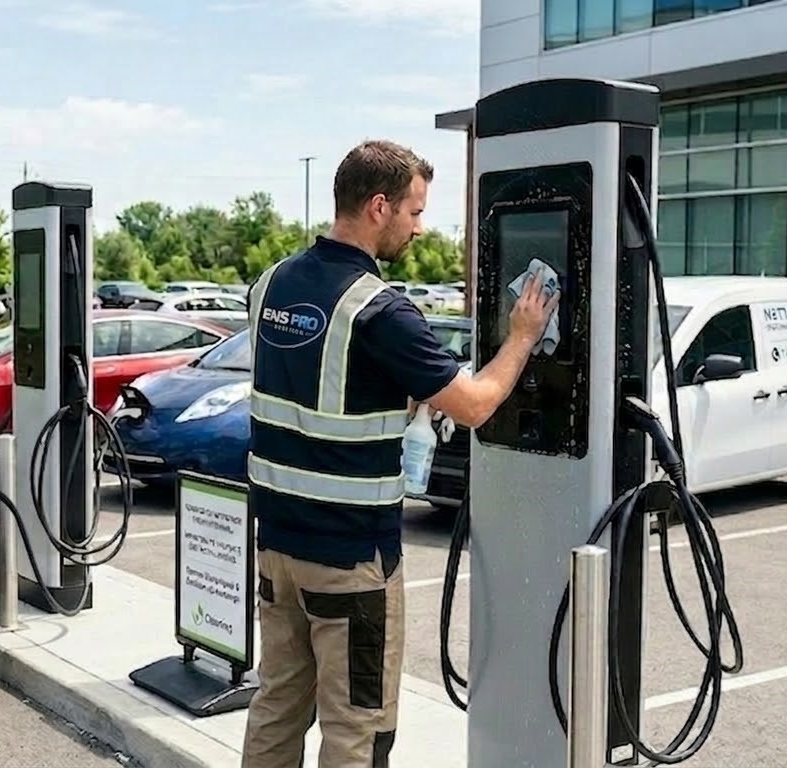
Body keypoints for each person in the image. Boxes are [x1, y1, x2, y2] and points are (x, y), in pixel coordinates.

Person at [240, 139, 561, 768]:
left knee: (277, 708)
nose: (420, 226)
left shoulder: (269, 285)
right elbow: (472, 404)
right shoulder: (381, 311)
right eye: (415, 212)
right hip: (351, 563)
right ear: (379, 206)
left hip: (277, 551)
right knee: (357, 730)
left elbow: (319, 392)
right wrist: (522, 336)